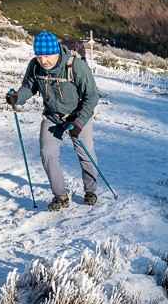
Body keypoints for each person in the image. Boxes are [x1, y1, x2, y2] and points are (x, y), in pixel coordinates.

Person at [6, 30, 100, 210]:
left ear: (56, 51)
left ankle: (90, 191)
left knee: (86, 154)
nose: (44, 60)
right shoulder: (35, 66)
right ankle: (61, 196)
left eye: (48, 55)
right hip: (52, 116)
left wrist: (79, 122)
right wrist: (17, 97)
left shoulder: (75, 66)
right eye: (40, 56)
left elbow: (92, 96)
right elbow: (29, 87)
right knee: (47, 154)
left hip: (79, 115)